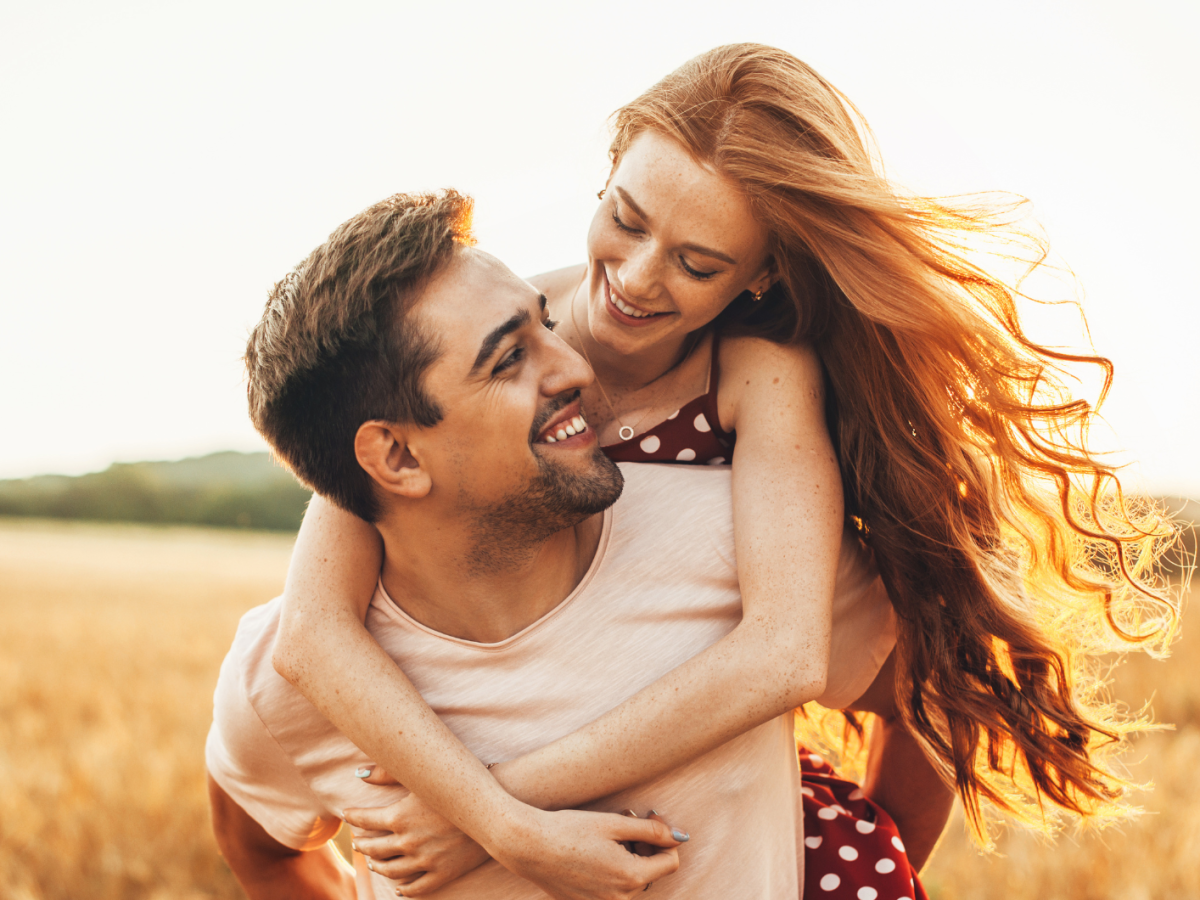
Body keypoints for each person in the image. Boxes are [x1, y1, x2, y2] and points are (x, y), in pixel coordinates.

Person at [272, 42, 1176, 896]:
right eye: (624, 220)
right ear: (611, 164)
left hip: (736, 822)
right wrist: (503, 826)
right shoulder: (484, 344)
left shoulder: (758, 376)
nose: (634, 278)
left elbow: (785, 656)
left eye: (698, 264)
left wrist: (491, 814)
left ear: (759, 275)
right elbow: (313, 629)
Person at [207, 189, 906, 899]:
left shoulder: (736, 546)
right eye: (509, 359)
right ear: (397, 459)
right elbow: (261, 850)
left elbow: (919, 703)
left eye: (547, 321)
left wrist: (861, 876)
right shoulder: (284, 676)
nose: (577, 368)